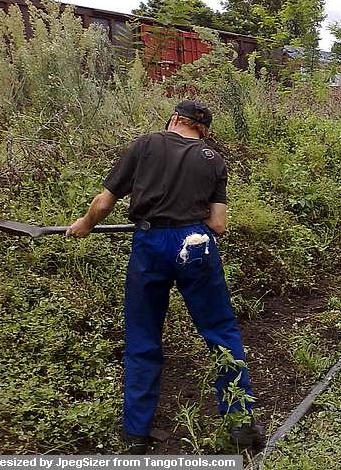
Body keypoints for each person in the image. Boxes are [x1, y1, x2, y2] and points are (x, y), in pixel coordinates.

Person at [66, 100, 264, 453]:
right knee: (220, 331)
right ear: (204, 131)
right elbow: (218, 224)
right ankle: (240, 424)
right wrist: (188, 219)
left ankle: (136, 434)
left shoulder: (145, 145)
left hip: (150, 242)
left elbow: (104, 202)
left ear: (174, 119)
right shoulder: (213, 159)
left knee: (143, 335)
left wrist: (85, 224)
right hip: (195, 243)